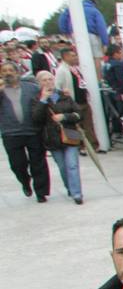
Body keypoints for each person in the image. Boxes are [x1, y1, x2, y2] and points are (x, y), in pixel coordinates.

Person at [1, 60, 50, 201]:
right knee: (17, 164)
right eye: (4, 71)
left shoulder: (31, 87)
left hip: (33, 131)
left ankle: (41, 192)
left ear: (18, 72)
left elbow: (48, 96)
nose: (8, 73)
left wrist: (62, 95)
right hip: (10, 133)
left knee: (38, 162)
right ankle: (25, 181)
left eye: (11, 70)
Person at [37, 70, 84, 204]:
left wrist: (65, 117)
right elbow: (36, 118)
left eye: (50, 79)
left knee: (72, 165)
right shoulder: (37, 99)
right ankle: (70, 187)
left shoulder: (64, 96)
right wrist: (43, 100)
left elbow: (79, 113)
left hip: (70, 133)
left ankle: (77, 193)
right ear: (39, 83)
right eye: (44, 80)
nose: (48, 82)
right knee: (63, 167)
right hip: (52, 137)